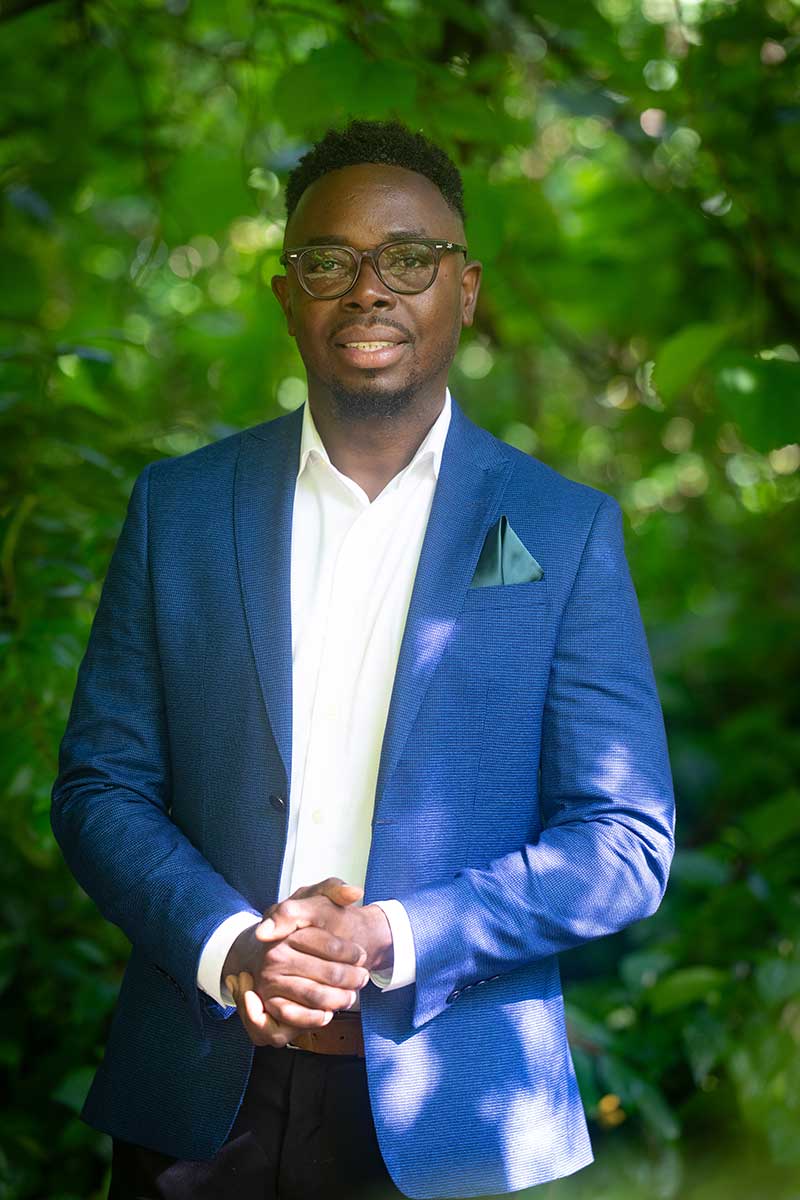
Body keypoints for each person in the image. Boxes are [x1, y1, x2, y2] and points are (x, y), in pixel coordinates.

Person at [51, 118, 675, 1200]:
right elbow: (102, 787)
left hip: (455, 1111)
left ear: (464, 289)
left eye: (407, 258)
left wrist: (391, 934)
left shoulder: (562, 530)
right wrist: (232, 943)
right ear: (288, 293)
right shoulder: (179, 510)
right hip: (198, 1098)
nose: (369, 288)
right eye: (329, 260)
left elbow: (622, 839)